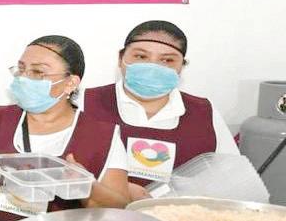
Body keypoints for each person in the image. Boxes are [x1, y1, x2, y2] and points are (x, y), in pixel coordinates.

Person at [0, 35, 130, 221]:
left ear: (71, 83)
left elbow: (119, 211)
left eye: (38, 72)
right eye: (21, 69)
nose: (24, 78)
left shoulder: (102, 136)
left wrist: (86, 186)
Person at [81, 20, 239, 199]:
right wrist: (114, 189)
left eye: (167, 60)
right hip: (99, 214)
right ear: (120, 58)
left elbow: (231, 181)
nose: (153, 67)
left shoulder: (204, 113)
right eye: (141, 57)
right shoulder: (83, 103)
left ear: (181, 67)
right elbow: (61, 171)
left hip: (178, 215)